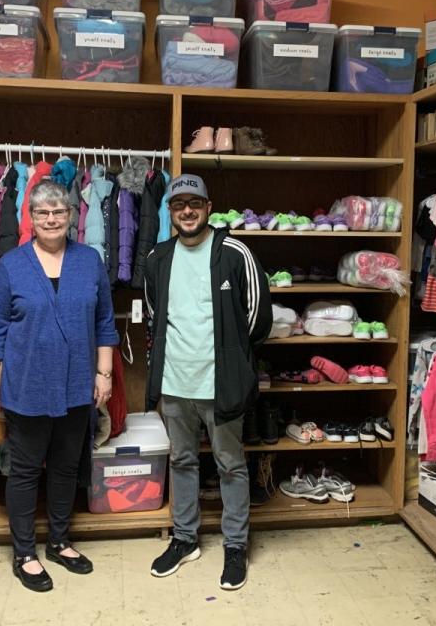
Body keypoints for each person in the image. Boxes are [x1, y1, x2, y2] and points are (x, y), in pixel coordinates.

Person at [0, 180, 119, 593]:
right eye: (43, 213)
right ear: (31, 219)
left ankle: (59, 541)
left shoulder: (90, 261)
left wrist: (104, 374)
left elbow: (105, 324)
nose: (52, 219)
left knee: (65, 467)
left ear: (72, 216)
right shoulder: (12, 265)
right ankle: (24, 553)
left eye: (59, 211)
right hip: (27, 386)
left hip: (77, 386)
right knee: (24, 471)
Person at [144, 174, 272, 591]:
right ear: (170, 211)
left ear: (208, 206)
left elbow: (258, 318)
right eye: (178, 204)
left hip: (220, 385)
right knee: (181, 461)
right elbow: (153, 313)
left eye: (194, 203)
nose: (186, 210)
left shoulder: (234, 252)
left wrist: (231, 356)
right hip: (174, 383)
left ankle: (235, 546)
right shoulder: (158, 257)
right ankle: (185, 539)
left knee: (230, 464)